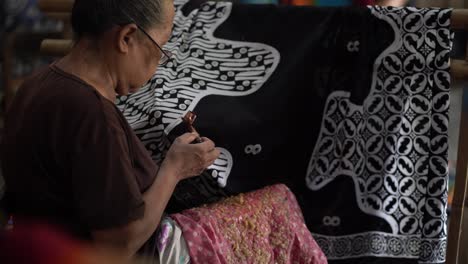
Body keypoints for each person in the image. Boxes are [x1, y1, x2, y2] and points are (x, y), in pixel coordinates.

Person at [1, 0, 220, 262]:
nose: (159, 63)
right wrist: (174, 169)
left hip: (47, 246)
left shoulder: (36, 84)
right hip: (88, 255)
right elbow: (119, 242)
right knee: (275, 208)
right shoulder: (91, 113)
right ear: (126, 37)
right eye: (161, 48)